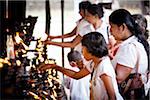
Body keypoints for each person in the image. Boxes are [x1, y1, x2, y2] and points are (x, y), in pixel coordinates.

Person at [39, 32, 123, 100]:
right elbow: (76, 75)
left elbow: (112, 97)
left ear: (91, 50)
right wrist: (55, 67)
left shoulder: (104, 67)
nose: (82, 53)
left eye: (83, 49)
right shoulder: (93, 63)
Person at [109, 9, 149, 99]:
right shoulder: (133, 43)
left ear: (122, 27)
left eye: (112, 27)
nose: (110, 31)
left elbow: (118, 78)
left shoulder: (129, 48)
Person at [44, 4, 109, 54]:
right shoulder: (85, 29)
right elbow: (72, 44)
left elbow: (111, 46)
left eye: (88, 16)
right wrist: (52, 43)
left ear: (96, 16)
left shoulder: (107, 28)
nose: (86, 18)